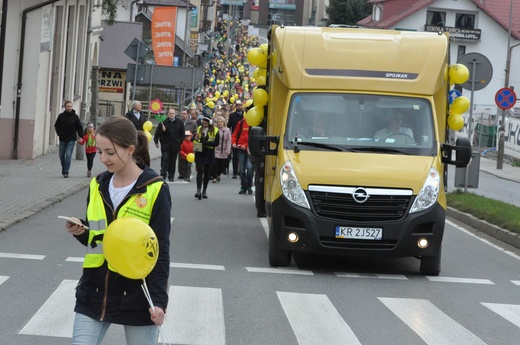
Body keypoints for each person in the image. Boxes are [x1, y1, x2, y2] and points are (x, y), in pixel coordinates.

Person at [63, 115, 171, 345]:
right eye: (100, 152)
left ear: (130, 149)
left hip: (137, 296)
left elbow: (160, 251)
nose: (103, 159)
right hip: (94, 292)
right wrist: (82, 231)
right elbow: (99, 238)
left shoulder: (155, 189)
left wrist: (159, 301)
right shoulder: (97, 184)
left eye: (110, 152)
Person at [154, 108, 185, 182]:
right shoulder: (163, 122)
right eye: (170, 113)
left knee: (172, 161)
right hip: (165, 145)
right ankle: (163, 174)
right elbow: (157, 133)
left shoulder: (179, 123)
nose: (171, 115)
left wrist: (179, 141)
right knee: (165, 159)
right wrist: (156, 141)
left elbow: (182, 134)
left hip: (175, 145)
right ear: (168, 114)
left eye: (173, 113)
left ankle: (171, 175)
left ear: (175, 114)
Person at [192, 116, 220, 199]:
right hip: (199, 152)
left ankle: (204, 190)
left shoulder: (215, 130)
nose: (204, 125)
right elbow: (193, 138)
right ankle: (198, 190)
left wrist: (206, 143)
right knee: (200, 171)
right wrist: (194, 138)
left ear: (210, 123)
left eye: (206, 123)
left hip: (209, 153)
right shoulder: (199, 128)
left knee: (207, 173)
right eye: (203, 123)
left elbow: (216, 143)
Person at [54, 101, 83, 178]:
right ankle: (63, 167)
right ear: (65, 107)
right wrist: (59, 133)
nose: (69, 108)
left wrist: (81, 136)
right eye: (67, 106)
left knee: (68, 154)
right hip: (62, 138)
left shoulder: (75, 117)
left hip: (71, 139)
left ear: (72, 107)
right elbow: (56, 126)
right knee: (61, 155)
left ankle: (66, 171)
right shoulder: (61, 116)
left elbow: (79, 127)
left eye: (70, 106)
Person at [231, 117, 253, 195]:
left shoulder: (254, 123)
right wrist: (233, 142)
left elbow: (253, 138)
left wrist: (246, 145)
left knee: (249, 168)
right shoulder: (241, 122)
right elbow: (235, 134)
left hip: (250, 149)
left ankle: (249, 186)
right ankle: (243, 187)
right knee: (242, 170)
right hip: (241, 149)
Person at [227, 100, 244, 179]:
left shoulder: (245, 115)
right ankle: (234, 172)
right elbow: (229, 126)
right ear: (236, 106)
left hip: (243, 137)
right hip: (235, 137)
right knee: (235, 156)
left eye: (240, 105)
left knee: (243, 156)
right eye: (238, 106)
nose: (239, 107)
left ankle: (241, 171)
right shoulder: (232, 115)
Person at [211, 116, 231, 183]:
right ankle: (214, 177)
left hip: (224, 150)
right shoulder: (214, 129)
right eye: (218, 122)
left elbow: (228, 140)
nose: (219, 123)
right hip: (216, 149)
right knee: (215, 163)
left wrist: (228, 149)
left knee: (222, 165)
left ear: (224, 122)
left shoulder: (227, 130)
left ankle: (218, 174)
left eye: (221, 122)